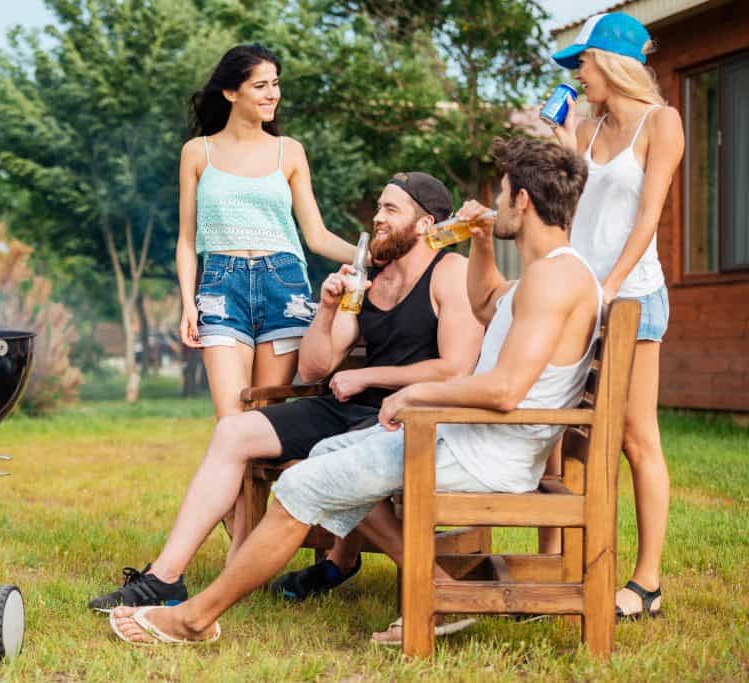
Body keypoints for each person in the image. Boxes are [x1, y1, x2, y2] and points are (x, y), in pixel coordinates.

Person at [106, 136, 599, 647]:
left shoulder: (552, 280)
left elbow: (505, 389)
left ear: (522, 201)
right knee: (327, 455)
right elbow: (487, 300)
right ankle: (430, 591)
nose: (495, 206)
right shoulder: (545, 276)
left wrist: (414, 397)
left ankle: (193, 618)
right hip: (469, 439)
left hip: (481, 451)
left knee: (301, 485)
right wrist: (476, 239)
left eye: (501, 196)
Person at [89, 172, 484, 612]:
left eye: (391, 210)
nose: (377, 219)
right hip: (350, 408)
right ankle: (165, 577)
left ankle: (405, 574)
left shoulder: (452, 273)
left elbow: (454, 369)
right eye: (378, 208)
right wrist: (328, 308)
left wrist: (368, 377)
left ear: (426, 223)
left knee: (337, 460)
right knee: (232, 433)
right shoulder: (371, 279)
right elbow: (315, 366)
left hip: (408, 415)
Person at [550, 11, 684, 620]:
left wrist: (608, 284)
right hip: (583, 296)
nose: (576, 74)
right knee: (571, 432)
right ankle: (565, 565)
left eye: (582, 62)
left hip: (632, 296)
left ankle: (647, 581)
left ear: (609, 62)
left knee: (634, 437)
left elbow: (648, 215)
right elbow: (567, 207)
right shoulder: (589, 126)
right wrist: (561, 141)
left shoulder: (663, 123)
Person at [177, 44, 360, 420]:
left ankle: (263, 483)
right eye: (260, 86)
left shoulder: (289, 152)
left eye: (275, 84)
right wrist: (186, 304)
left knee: (264, 421)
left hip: (284, 288)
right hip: (220, 288)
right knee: (232, 422)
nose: (272, 94)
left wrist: (371, 256)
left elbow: (318, 236)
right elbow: (186, 240)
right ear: (231, 92)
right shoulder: (198, 152)